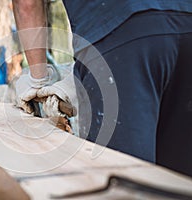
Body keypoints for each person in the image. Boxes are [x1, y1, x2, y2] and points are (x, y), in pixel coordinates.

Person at [12, 0, 192, 177]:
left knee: (123, 181)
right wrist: (81, 74)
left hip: (121, 30)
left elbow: (27, 4)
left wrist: (38, 81)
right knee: (178, 179)